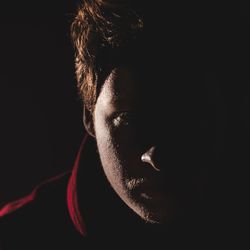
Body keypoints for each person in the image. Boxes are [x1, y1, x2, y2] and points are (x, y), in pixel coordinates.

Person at [0, 0, 246, 249]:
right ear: (89, 116)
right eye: (128, 119)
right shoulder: (15, 237)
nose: (156, 155)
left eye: (184, 115)